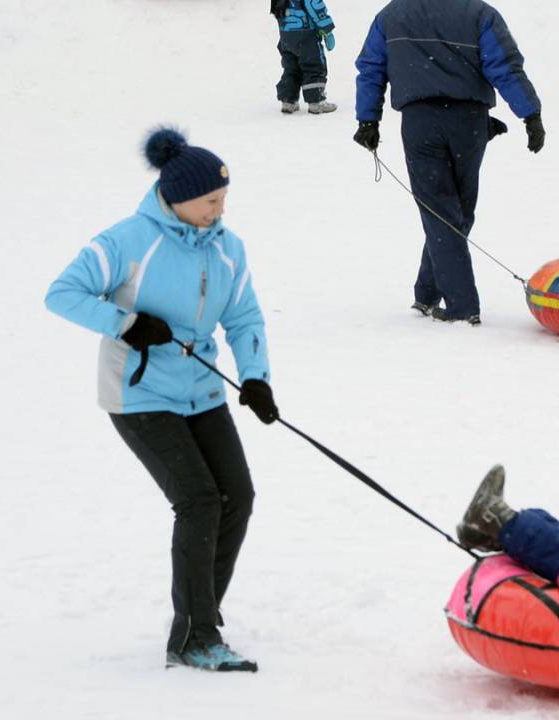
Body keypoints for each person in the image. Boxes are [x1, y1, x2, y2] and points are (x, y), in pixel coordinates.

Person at [45, 127, 280, 671]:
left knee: (237, 497)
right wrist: (126, 324)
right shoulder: (129, 240)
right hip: (140, 393)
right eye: (210, 201)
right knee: (198, 500)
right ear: (177, 198)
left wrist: (257, 379)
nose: (219, 210)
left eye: (224, 198)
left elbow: (244, 317)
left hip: (201, 390)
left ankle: (201, 618)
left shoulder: (227, 248)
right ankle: (194, 637)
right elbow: (62, 293)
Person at [353, 0, 545, 325]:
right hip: (468, 122)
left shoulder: (392, 15)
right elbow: (504, 66)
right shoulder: (478, 13)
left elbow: (372, 68)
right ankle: (448, 300)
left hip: (420, 122)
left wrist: (368, 119)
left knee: (441, 211)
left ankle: (442, 299)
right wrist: (530, 114)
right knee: (456, 211)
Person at [271, 0, 338, 115]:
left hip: (286, 36)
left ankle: (288, 101)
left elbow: (277, 10)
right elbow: (315, 6)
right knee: (313, 66)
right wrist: (327, 31)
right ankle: (316, 101)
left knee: (291, 68)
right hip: (306, 35)